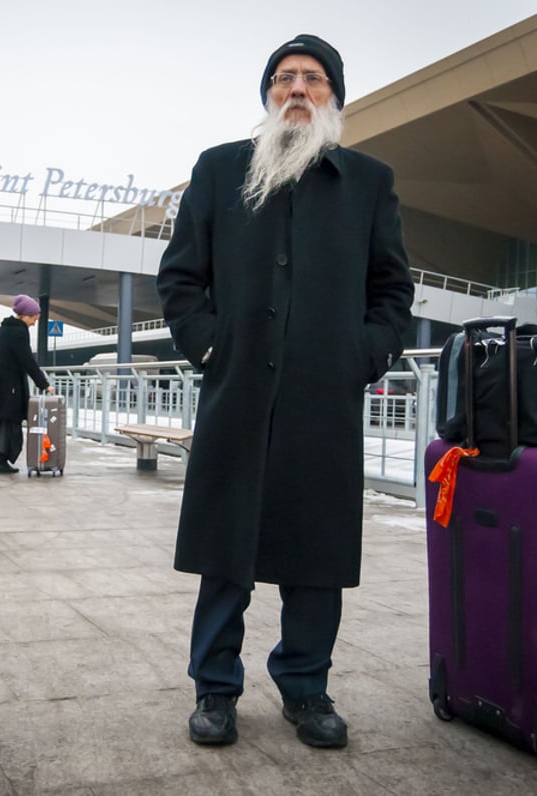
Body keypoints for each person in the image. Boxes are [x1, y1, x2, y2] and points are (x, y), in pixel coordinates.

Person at [155, 34, 414, 750]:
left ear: (334, 96)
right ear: (267, 95)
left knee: (316, 550)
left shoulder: (367, 181)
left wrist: (361, 354)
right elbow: (179, 279)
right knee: (225, 547)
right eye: (284, 78)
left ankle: (305, 688)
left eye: (313, 79)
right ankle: (215, 687)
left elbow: (393, 289)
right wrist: (210, 343)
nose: (297, 88)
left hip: (323, 398)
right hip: (238, 389)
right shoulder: (219, 170)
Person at [0, 294, 55, 474]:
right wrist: (44, 384)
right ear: (26, 315)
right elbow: (27, 361)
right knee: (7, 424)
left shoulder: (4, 328)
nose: (33, 323)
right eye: (34, 319)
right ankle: (0, 461)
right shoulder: (18, 331)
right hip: (8, 389)